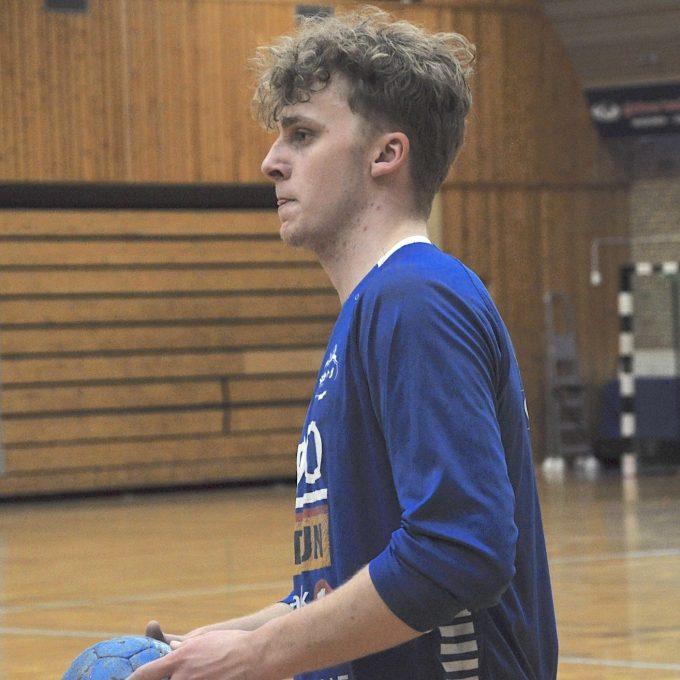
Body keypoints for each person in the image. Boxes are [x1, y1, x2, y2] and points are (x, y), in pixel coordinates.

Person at [130, 7, 558, 680]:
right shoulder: (375, 311)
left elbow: (461, 551)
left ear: (386, 154)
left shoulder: (415, 298)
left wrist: (258, 655)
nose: (271, 162)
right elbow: (343, 588)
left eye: (301, 135)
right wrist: (217, 644)